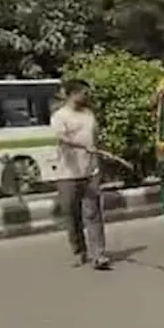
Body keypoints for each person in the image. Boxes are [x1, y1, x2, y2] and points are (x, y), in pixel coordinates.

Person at [51, 79, 110, 270]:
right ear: (72, 94)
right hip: (67, 173)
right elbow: (62, 139)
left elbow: (96, 138)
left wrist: (98, 154)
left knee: (93, 213)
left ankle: (98, 254)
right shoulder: (60, 116)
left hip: (90, 170)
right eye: (83, 92)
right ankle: (79, 251)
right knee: (71, 214)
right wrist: (83, 146)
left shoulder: (89, 115)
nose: (86, 96)